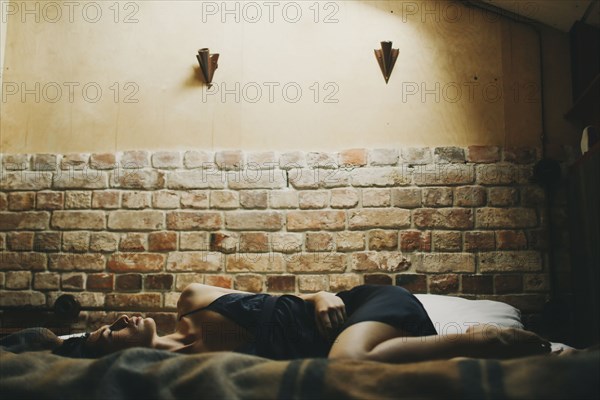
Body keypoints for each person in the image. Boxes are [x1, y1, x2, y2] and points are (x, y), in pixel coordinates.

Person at [53, 283, 551, 362]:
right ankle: (480, 345)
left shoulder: (191, 299)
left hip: (362, 306)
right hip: (357, 344)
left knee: (349, 363)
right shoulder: (190, 369)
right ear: (115, 356)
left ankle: (490, 340)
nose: (120, 317)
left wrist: (319, 293)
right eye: (109, 330)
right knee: (350, 364)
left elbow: (281, 298)